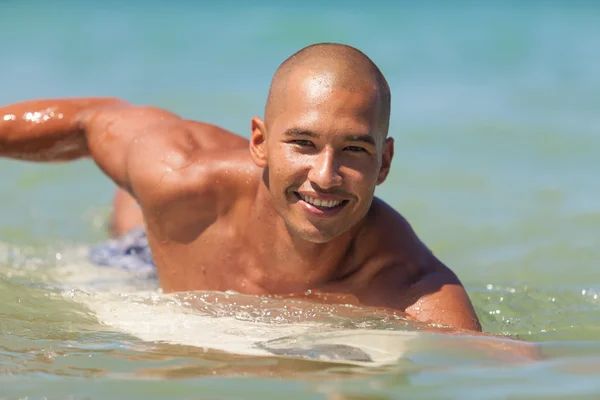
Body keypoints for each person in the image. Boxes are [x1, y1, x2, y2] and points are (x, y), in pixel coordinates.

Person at [0, 43, 482, 332]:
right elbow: (90, 121)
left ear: (386, 162)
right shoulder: (179, 171)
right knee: (141, 221)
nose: (325, 175)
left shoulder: (411, 286)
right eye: (303, 143)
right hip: (155, 251)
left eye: (355, 149)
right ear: (259, 141)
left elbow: (494, 368)